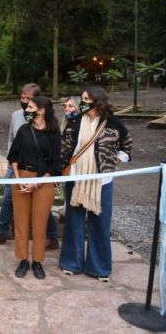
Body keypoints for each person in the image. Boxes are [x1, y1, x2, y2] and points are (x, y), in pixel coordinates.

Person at [59, 87, 132, 282]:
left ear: (96, 101)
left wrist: (116, 158)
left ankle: (99, 268)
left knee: (100, 224)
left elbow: (127, 144)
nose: (81, 102)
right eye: (81, 98)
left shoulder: (114, 123)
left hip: (102, 181)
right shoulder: (74, 122)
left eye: (85, 99)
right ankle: (71, 263)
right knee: (74, 222)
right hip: (75, 179)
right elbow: (64, 146)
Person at [0, 84, 59, 250]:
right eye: (23, 98)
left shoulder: (50, 126)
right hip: (17, 166)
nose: (24, 102)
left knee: (41, 203)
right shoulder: (16, 115)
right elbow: (13, 138)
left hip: (39, 170)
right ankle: (1, 232)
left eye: (29, 99)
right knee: (7, 199)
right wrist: (13, 163)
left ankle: (52, 236)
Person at [8, 96, 61, 279]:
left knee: (40, 224)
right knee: (21, 222)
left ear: (41, 110)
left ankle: (37, 261)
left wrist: (36, 182)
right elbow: (13, 157)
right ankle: (23, 260)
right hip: (21, 178)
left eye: (30, 107)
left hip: (43, 181)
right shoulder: (23, 130)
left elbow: (56, 164)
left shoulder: (54, 133)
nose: (26, 109)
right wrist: (18, 179)